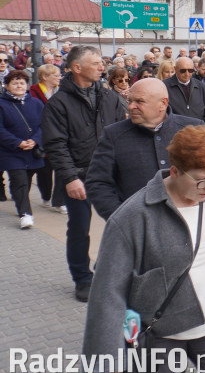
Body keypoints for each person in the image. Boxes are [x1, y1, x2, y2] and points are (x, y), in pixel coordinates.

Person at [84, 126, 205, 373]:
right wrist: (107, 367)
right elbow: (107, 294)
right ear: (175, 172)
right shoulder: (132, 217)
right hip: (159, 337)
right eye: (201, 180)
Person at [41, 46, 122, 302]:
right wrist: (70, 178)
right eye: (96, 63)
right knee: (79, 229)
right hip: (79, 175)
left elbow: (122, 132)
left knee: (122, 225)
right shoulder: (58, 103)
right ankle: (82, 278)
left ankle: (111, 269)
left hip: (111, 174)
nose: (102, 67)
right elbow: (56, 144)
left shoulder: (109, 97)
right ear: (77, 68)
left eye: (101, 63)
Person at [86, 78, 204, 220]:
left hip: (190, 222)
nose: (131, 107)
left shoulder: (193, 129)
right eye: (130, 101)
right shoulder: (113, 135)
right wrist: (121, 218)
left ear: (163, 104)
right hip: (136, 225)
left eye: (139, 101)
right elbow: (97, 183)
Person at [0, 70, 45, 229]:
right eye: (15, 83)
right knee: (19, 180)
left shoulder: (37, 103)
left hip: (32, 150)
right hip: (10, 151)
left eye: (22, 83)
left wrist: (35, 140)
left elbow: (44, 125)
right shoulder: (2, 104)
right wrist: (17, 142)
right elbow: (1, 129)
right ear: (7, 86)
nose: (19, 85)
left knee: (24, 181)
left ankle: (19, 199)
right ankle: (25, 214)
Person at [28, 63, 60, 210]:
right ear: (45, 77)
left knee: (61, 168)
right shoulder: (34, 91)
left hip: (59, 133)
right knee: (44, 170)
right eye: (55, 75)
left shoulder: (60, 91)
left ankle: (59, 200)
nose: (59, 77)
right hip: (42, 134)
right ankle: (46, 197)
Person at [165, 57, 205, 133]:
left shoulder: (200, 86)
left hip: (198, 134)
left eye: (190, 70)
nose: (187, 74)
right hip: (175, 134)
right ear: (175, 69)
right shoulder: (164, 86)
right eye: (183, 70)